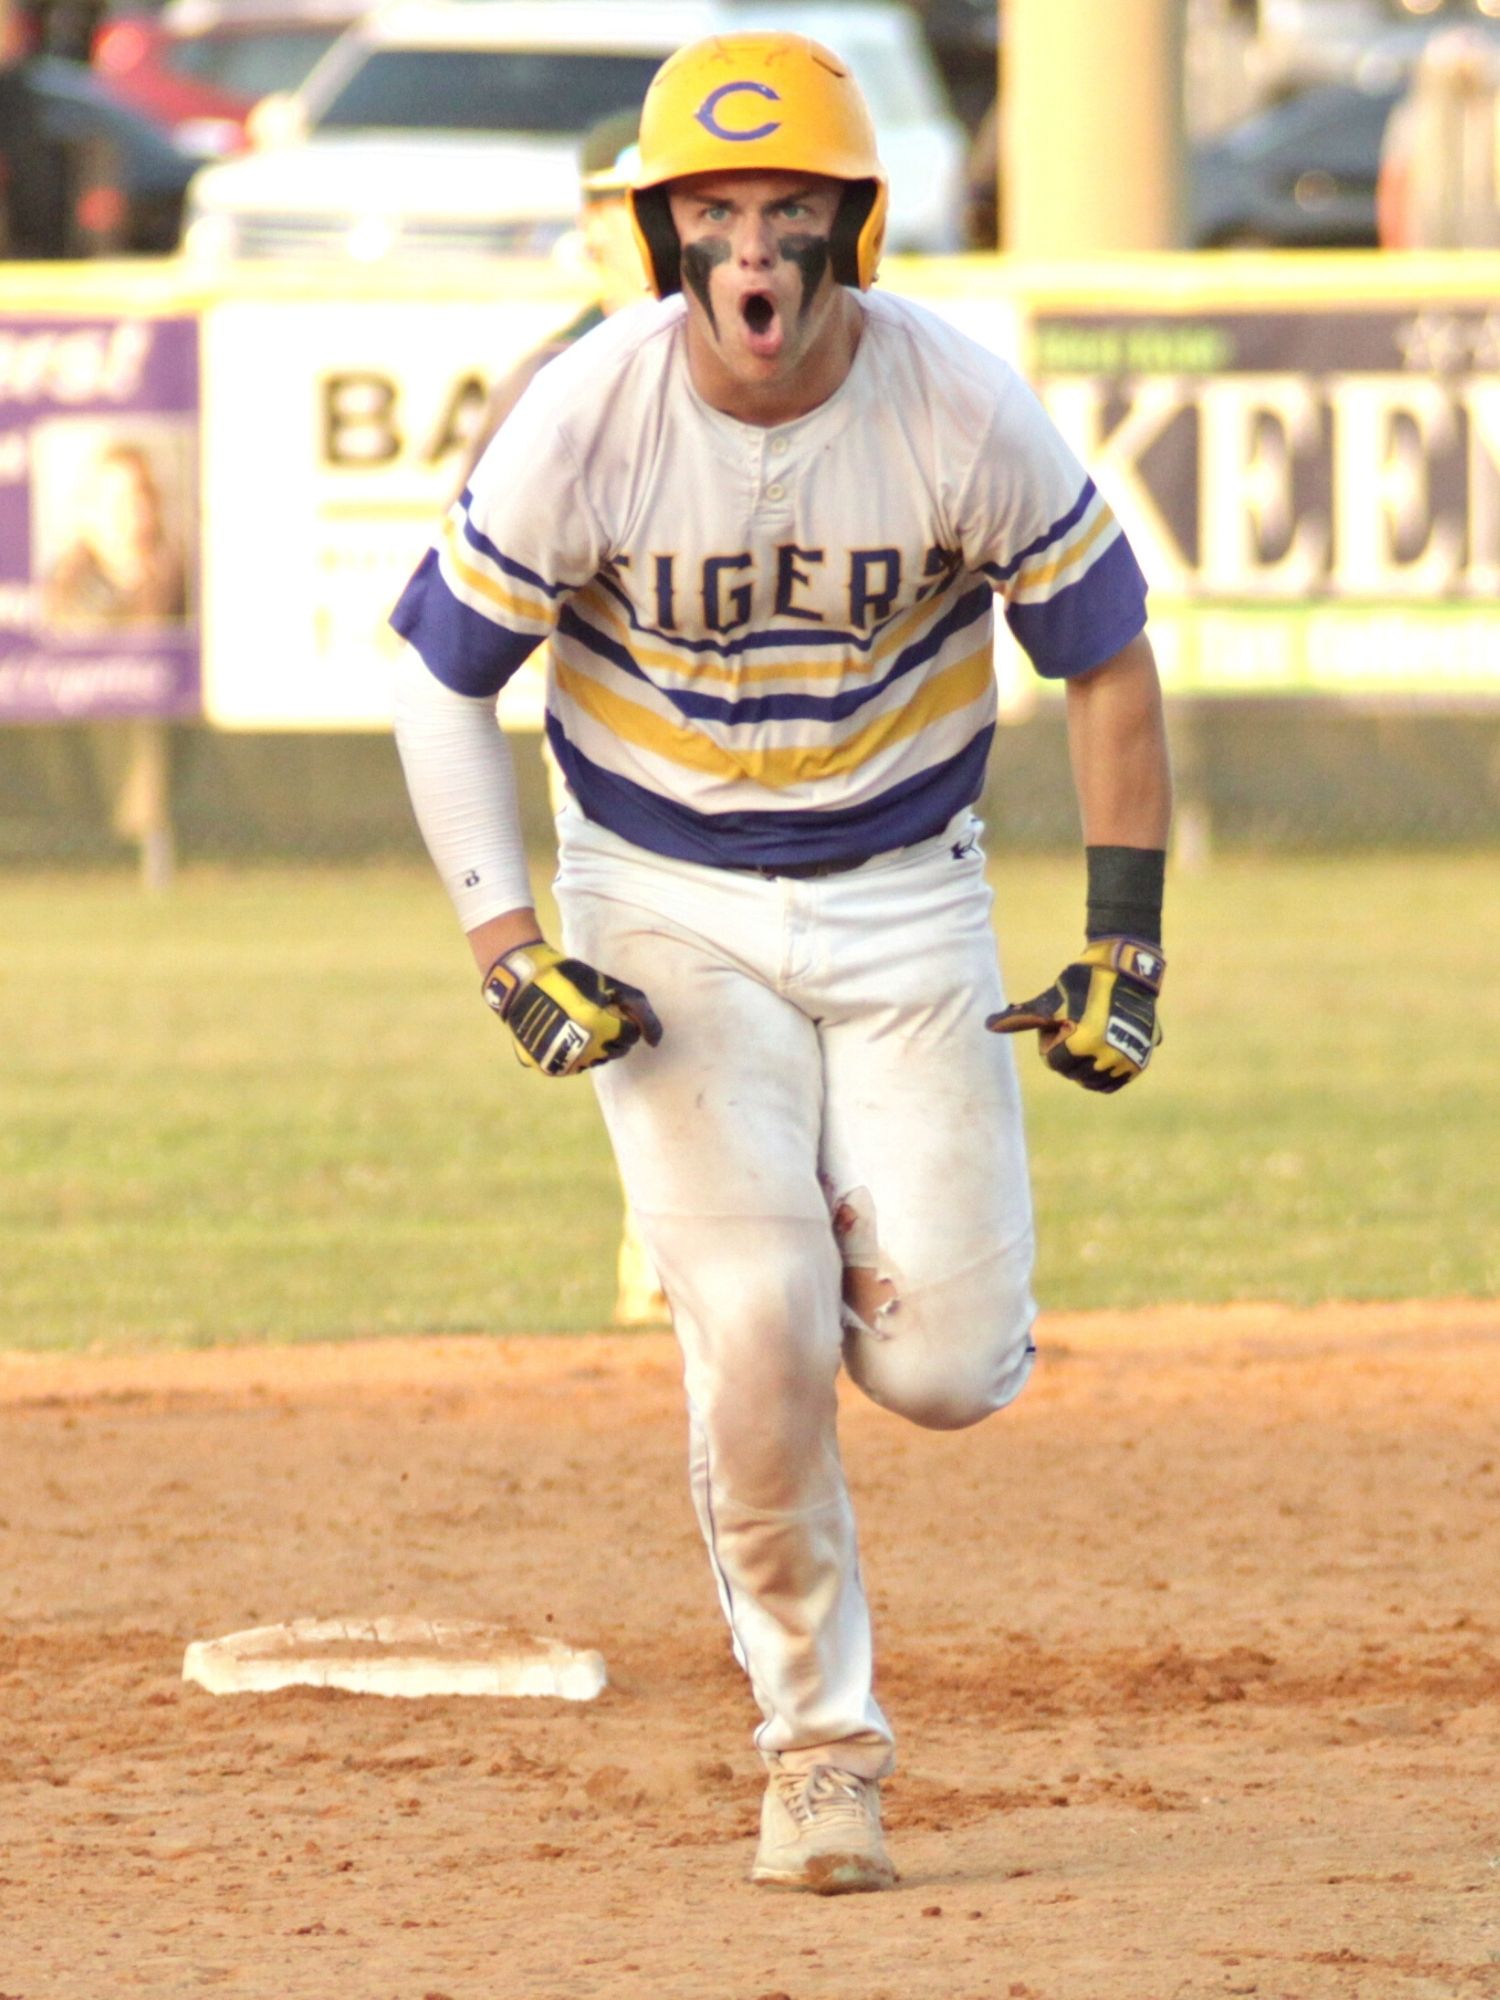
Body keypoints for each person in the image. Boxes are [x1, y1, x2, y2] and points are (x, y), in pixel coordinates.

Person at [392, 32, 1171, 1896]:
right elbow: (439, 676)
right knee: (754, 1334)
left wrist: (1125, 941)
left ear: (853, 226)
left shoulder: (956, 406)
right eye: (717, 211)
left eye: (789, 207)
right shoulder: (590, 411)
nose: (754, 247)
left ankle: (794, 1232)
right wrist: (512, 945)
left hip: (911, 895)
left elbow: (1111, 659)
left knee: (952, 1371)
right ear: (665, 234)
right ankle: (820, 1747)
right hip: (664, 902)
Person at [452, 108, 668, 1327]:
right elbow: (466, 595)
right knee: (651, 1000)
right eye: (633, 204)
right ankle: (661, 1244)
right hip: (614, 747)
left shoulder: (772, 360)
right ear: (593, 224)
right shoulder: (550, 380)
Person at [42, 439, 187, 626]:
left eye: (146, 498)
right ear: (86, 514)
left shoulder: (187, 586)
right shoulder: (57, 597)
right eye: (117, 504)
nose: (138, 516)